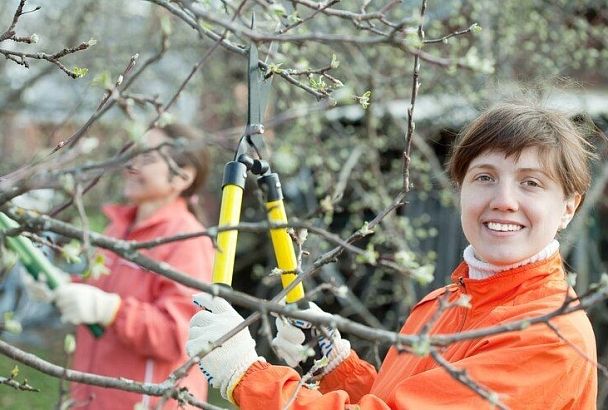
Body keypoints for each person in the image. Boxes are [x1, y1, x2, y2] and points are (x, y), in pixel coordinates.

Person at [186, 102, 598, 409]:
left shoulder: (548, 337)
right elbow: (402, 400)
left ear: (569, 207)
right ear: (461, 190)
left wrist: (248, 377)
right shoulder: (448, 301)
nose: (504, 200)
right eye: (485, 177)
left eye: (531, 183)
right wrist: (334, 366)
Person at [27, 124, 214, 409]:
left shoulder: (188, 240)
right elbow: (99, 292)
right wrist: (59, 287)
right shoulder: (119, 228)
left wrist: (111, 310)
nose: (132, 164)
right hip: (93, 398)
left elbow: (178, 335)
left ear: (183, 178)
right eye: (134, 153)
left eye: (148, 157)